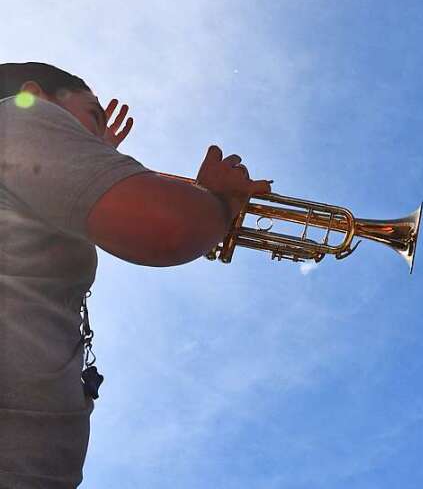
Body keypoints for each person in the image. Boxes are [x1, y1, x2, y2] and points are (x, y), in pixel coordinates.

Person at [0, 61, 270, 488]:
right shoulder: (19, 114)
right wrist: (221, 202)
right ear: (35, 94)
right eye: (93, 114)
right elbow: (168, 227)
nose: (97, 138)